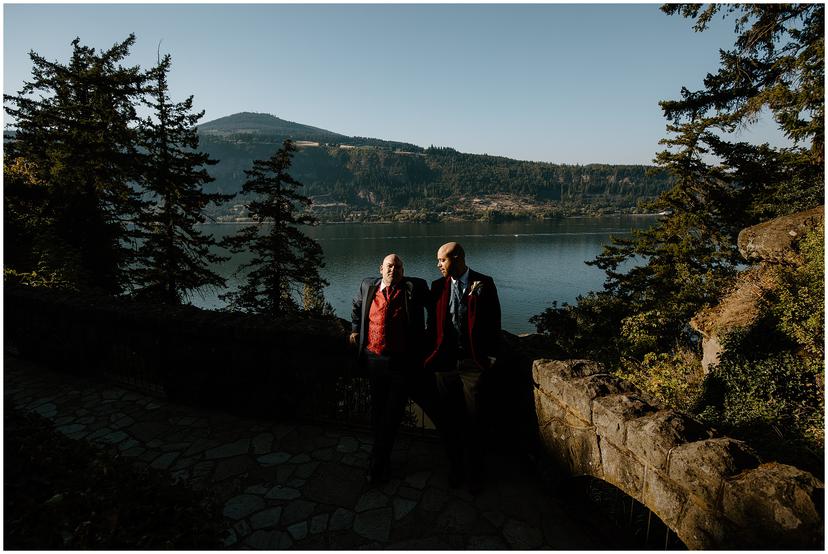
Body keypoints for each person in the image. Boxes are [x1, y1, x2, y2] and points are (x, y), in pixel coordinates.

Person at [425, 241, 501, 491]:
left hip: (473, 364)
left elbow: (493, 320)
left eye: (442, 260)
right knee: (449, 421)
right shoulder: (437, 287)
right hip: (444, 364)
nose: (438, 265)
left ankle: (475, 473)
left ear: (457, 258)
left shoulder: (484, 283)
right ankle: (455, 469)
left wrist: (491, 355)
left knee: (475, 421)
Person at [350, 253, 432, 484]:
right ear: (381, 268)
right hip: (373, 359)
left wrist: (430, 334)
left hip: (401, 362)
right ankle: (381, 457)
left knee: (393, 413)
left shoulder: (415, 287)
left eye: (397, 266)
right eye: (389, 266)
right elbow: (356, 307)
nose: (392, 270)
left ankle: (377, 463)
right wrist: (355, 329)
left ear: (403, 270)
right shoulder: (368, 285)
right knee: (378, 411)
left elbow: (434, 308)